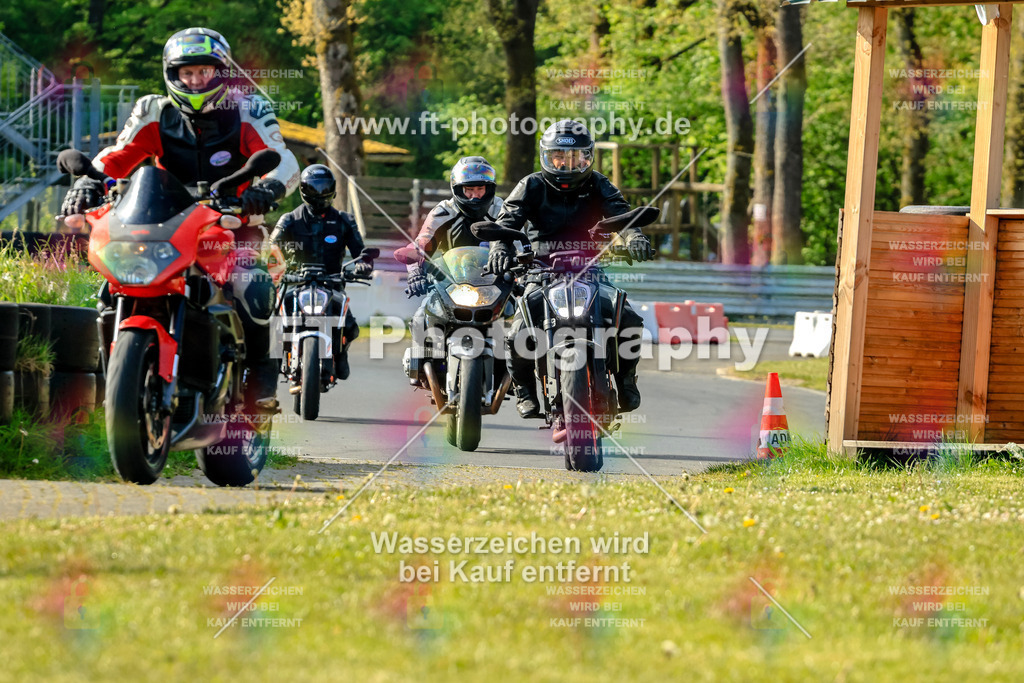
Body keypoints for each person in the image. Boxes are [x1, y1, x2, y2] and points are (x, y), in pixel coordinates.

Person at [59, 27, 300, 409]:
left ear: (222, 72)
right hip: (165, 222)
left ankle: (260, 382)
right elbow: (119, 155)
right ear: (173, 74)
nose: (196, 80)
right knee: (111, 286)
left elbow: (281, 157)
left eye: (204, 71)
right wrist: (90, 180)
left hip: (233, 223)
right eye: (187, 72)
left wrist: (267, 189)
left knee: (251, 287)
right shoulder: (154, 110)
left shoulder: (249, 108)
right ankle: (115, 380)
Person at [485, 120, 655, 417]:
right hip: (540, 270)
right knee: (518, 331)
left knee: (628, 318)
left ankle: (626, 379)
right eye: (559, 157)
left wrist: (635, 238)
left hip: (589, 269)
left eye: (575, 157)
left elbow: (622, 214)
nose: (566, 163)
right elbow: (507, 221)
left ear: (588, 157)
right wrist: (500, 248)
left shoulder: (599, 184)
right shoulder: (531, 185)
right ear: (547, 157)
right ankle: (525, 389)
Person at [403, 157, 504, 381]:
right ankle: (422, 369)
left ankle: (522, 381)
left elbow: (520, 243)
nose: (475, 196)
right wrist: (415, 272)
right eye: (469, 190)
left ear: (489, 188)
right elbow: (420, 245)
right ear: (458, 189)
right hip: (449, 283)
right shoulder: (443, 212)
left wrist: (523, 268)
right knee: (421, 316)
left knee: (521, 321)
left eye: (480, 189)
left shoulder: (503, 211)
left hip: (495, 285)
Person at [270, 164, 373, 381]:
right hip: (295, 283)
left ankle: (341, 354)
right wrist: (270, 265)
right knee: (273, 321)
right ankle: (272, 364)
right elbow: (271, 248)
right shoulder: (289, 219)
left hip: (332, 284)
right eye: (314, 187)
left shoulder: (345, 220)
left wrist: (363, 264)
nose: (319, 192)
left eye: (324, 187)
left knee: (351, 327)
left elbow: (361, 252)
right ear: (304, 190)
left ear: (333, 189)